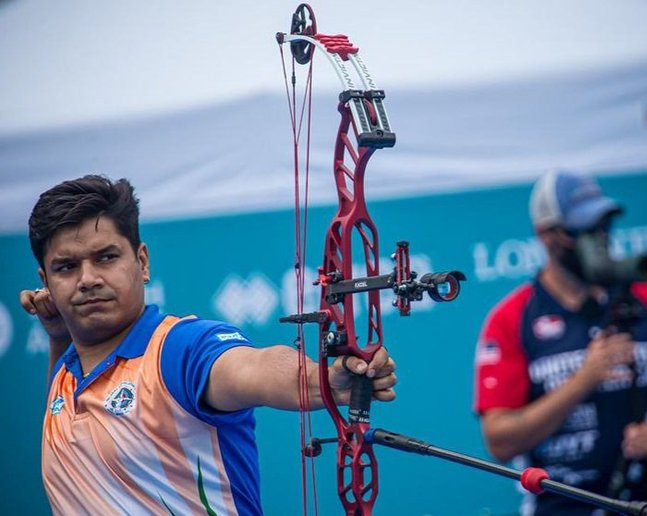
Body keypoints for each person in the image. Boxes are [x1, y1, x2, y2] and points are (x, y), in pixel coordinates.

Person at [19, 174, 397, 515]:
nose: (88, 279)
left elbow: (253, 368)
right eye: (66, 267)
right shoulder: (68, 373)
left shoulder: (178, 349)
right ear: (45, 280)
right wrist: (58, 335)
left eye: (106, 257)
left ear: (142, 261)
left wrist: (323, 383)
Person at [473, 170, 647, 515]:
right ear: (545, 234)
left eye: (603, 226)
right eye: (579, 231)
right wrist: (584, 380)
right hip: (562, 504)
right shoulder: (512, 316)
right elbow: (500, 440)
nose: (597, 239)